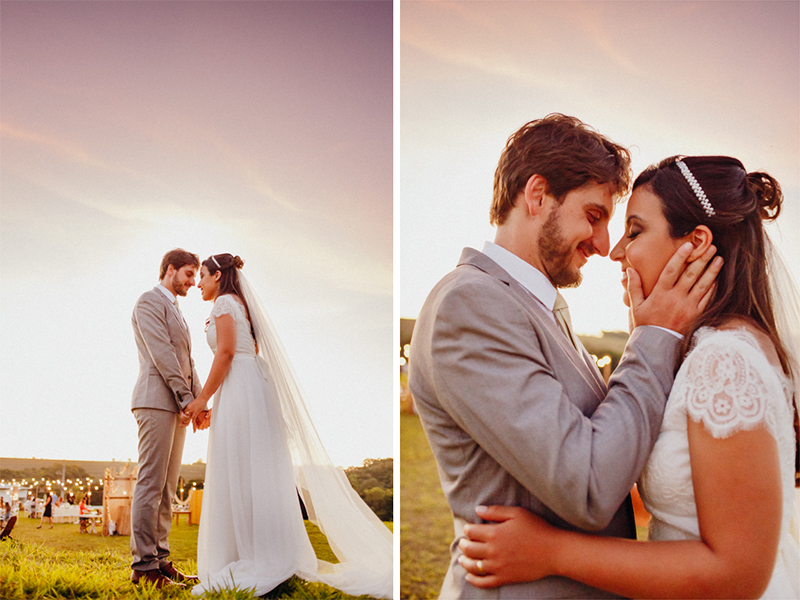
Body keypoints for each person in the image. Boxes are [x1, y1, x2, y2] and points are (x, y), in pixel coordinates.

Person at [408, 115, 723, 599]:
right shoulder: (470, 304)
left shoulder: (537, 305)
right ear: (537, 195)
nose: (603, 246)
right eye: (594, 216)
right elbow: (589, 485)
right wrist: (654, 334)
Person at [459, 156, 800, 599]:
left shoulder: (724, 362)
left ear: (695, 244)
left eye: (634, 231)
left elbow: (737, 573)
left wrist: (551, 551)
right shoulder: (703, 348)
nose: (616, 251)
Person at [183, 254, 392, 598]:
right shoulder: (242, 304)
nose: (199, 285)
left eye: (202, 277)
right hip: (250, 388)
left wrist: (202, 400)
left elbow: (225, 354)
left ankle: (251, 557)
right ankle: (264, 552)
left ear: (217, 275)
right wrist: (212, 401)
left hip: (239, 387)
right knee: (256, 471)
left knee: (238, 469)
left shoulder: (223, 302)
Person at [129, 248, 202, 589]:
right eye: (188, 274)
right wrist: (186, 398)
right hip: (156, 400)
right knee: (151, 483)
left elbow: (186, 359)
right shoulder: (148, 301)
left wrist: (198, 402)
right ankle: (144, 568)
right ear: (170, 269)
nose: (192, 281)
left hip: (176, 404)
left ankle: (161, 560)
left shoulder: (176, 309)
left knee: (167, 487)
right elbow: (162, 354)